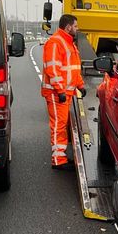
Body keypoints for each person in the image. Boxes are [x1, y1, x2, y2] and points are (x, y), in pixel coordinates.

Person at [41, 14, 85, 169]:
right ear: (68, 27)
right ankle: (58, 161)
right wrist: (60, 91)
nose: (77, 29)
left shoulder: (68, 43)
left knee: (62, 124)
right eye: (76, 26)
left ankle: (61, 157)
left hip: (64, 92)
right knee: (58, 125)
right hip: (55, 93)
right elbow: (53, 69)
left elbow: (74, 68)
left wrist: (80, 85)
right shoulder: (55, 42)